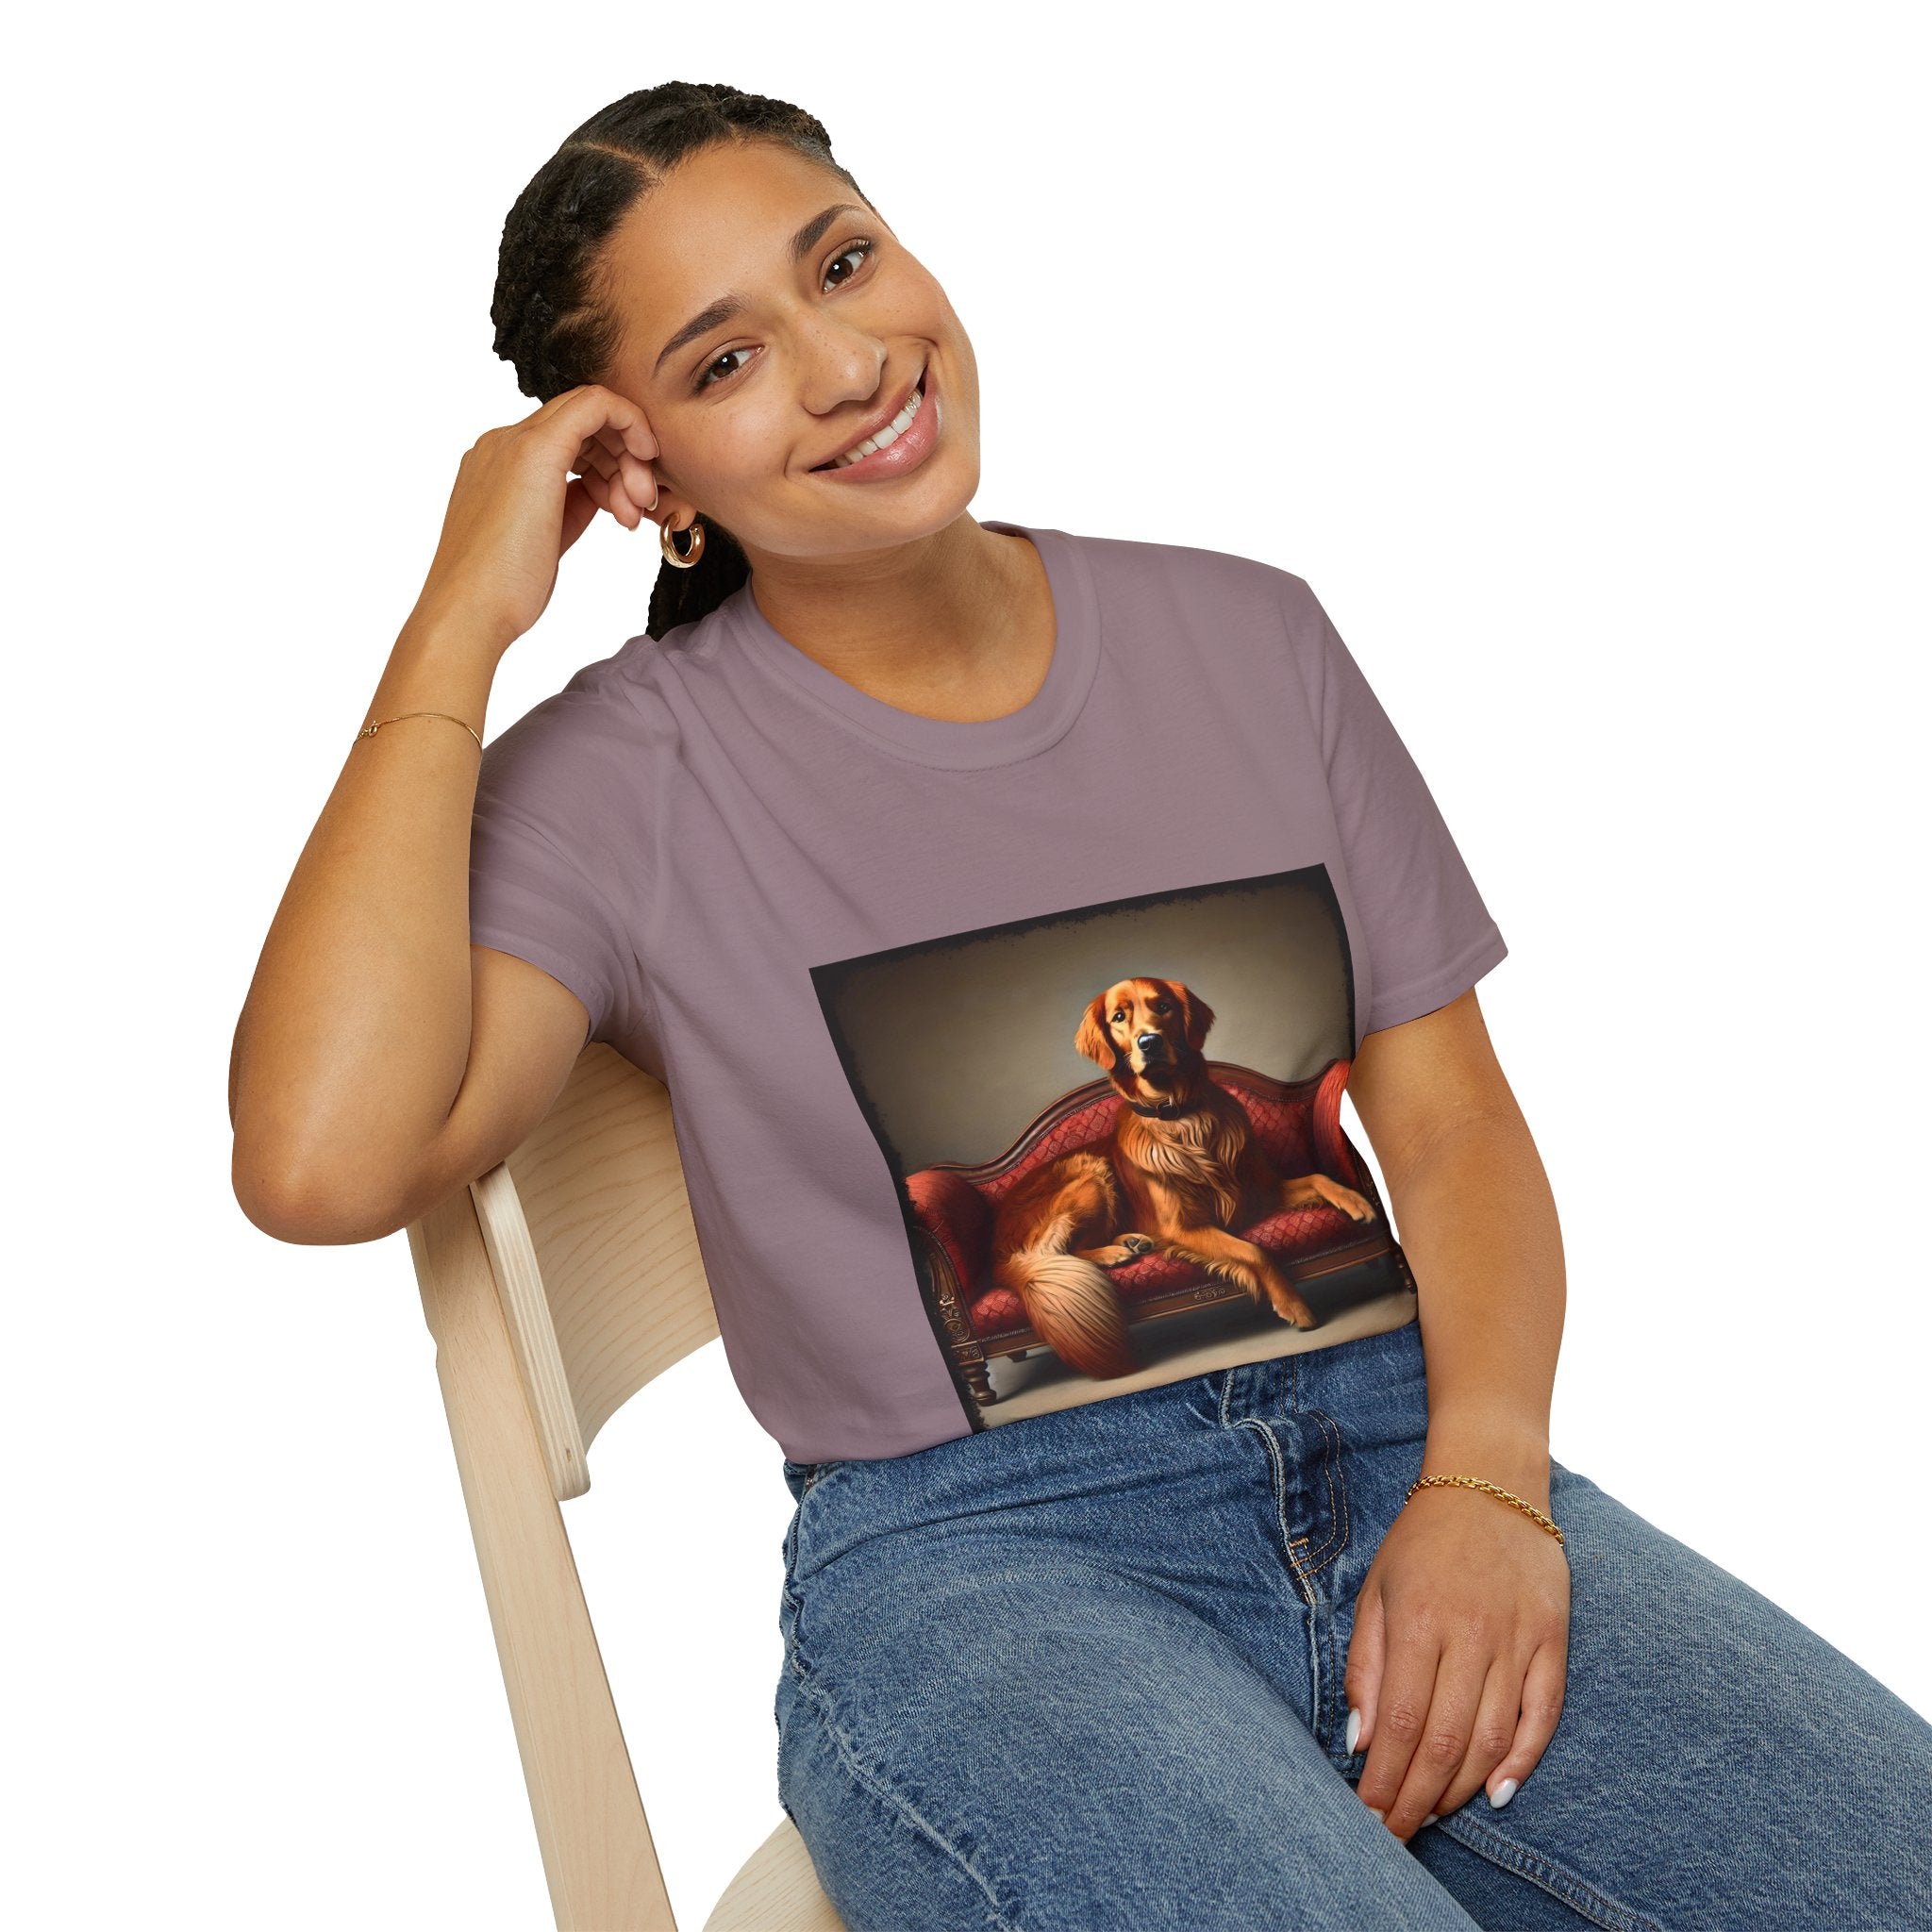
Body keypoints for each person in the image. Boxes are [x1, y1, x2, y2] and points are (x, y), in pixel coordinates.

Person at [228, 80, 1932, 1932]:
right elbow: (321, 1158)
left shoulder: (1249, 638)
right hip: (987, 1569)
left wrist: (1489, 1486)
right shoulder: (627, 775)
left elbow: (1446, 1129)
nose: (845, 362)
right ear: (648, 481)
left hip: (1403, 1449)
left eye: (845, 263)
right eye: (724, 362)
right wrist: (456, 620)